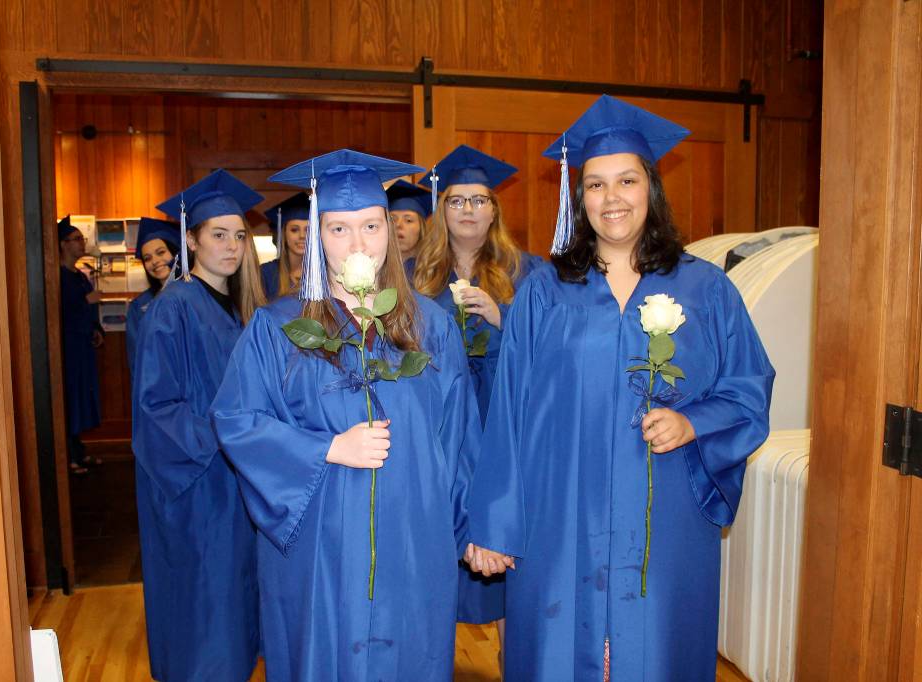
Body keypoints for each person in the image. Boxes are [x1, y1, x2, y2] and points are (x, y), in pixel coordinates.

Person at [465, 95, 775, 681]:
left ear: (650, 189)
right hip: (560, 513)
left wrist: (692, 423)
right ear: (578, 199)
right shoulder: (544, 292)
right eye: (595, 185)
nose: (612, 199)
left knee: (657, 651)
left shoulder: (705, 289)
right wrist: (495, 521)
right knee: (558, 648)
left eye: (626, 181)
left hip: (664, 514)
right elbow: (507, 409)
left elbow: (747, 388)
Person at [210, 149, 482, 682]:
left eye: (370, 226)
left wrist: (474, 526)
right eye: (338, 228)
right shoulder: (278, 327)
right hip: (321, 549)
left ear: (389, 228)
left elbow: (461, 438)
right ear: (316, 235)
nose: (358, 244)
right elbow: (237, 419)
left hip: (413, 541)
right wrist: (326, 447)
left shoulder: (431, 326)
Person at [132, 169, 267, 682]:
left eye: (238, 236)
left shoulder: (233, 305)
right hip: (193, 482)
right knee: (203, 593)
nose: (231, 247)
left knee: (231, 592)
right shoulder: (174, 307)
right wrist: (228, 430)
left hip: (229, 475)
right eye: (218, 235)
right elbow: (155, 407)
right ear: (190, 238)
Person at [409, 145, 545, 628]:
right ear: (440, 210)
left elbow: (552, 355)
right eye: (457, 200)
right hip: (438, 429)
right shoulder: (411, 277)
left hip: (502, 422)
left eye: (479, 200)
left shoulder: (529, 274)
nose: (468, 209)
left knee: (507, 551)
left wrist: (502, 318)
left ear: (495, 210)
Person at [58, 216, 103, 475]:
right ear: (62, 245)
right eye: (75, 239)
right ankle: (69, 455)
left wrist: (97, 330)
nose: (81, 243)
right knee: (70, 398)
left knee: (82, 397)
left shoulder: (80, 275)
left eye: (81, 238)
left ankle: (79, 450)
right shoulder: (58, 277)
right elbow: (60, 311)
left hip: (83, 345)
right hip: (69, 348)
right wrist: (86, 300)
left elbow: (88, 309)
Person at [126, 217, 179, 372]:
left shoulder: (196, 296)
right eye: (147, 258)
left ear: (175, 252)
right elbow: (137, 361)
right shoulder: (139, 307)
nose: (155, 261)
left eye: (161, 252)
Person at [261, 192, 310, 300]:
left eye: (308, 230)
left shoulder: (324, 273)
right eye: (294, 230)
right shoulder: (266, 273)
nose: (302, 236)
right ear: (284, 233)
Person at [385, 179, 431, 262]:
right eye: (392, 219)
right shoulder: (373, 270)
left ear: (421, 229)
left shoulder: (436, 271)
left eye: (408, 220)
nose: (398, 225)